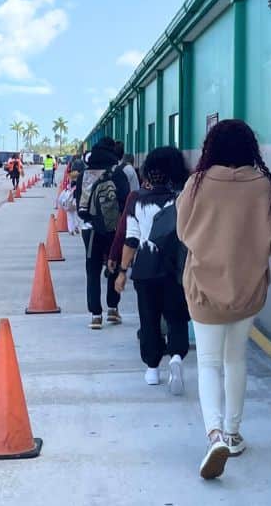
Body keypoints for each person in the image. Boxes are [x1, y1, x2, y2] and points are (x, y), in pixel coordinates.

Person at [176, 119, 271, 480]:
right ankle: (233, 434)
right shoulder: (263, 184)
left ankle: (214, 434)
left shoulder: (198, 183)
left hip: (204, 286)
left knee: (207, 362)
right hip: (248, 287)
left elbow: (183, 232)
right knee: (236, 359)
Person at [114, 146, 192, 393]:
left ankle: (152, 369)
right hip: (175, 270)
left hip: (145, 270)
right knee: (177, 316)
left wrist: (122, 271)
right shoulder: (182, 200)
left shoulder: (137, 202)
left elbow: (131, 239)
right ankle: (177, 357)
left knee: (149, 318)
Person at [74, 137, 131, 330]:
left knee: (92, 270)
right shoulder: (118, 173)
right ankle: (113, 309)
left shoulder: (84, 174)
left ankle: (96, 315)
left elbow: (78, 202)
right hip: (113, 230)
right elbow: (125, 202)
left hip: (90, 230)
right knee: (113, 266)